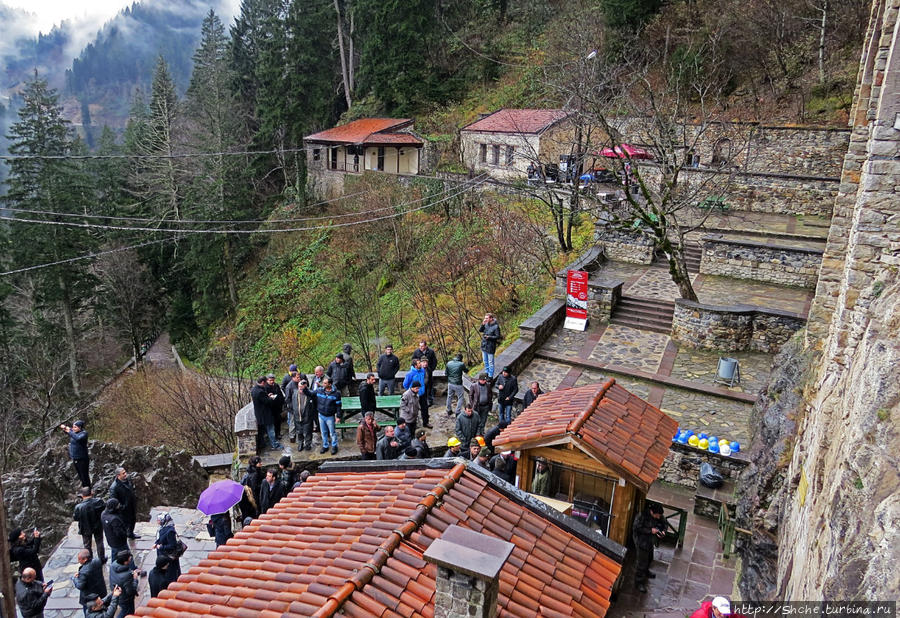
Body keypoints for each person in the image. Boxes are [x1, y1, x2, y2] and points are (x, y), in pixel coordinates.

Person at [303, 377, 342, 455]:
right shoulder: (319, 390)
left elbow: (338, 406)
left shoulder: (336, 394)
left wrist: (338, 416)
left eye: (325, 383)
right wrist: (305, 388)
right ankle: (325, 446)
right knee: (323, 432)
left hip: (330, 416)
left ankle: (334, 446)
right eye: (323, 383)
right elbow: (310, 393)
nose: (323, 384)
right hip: (321, 415)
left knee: (332, 432)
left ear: (330, 384)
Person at [632, 502, 665, 592]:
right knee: (642, 562)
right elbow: (636, 528)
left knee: (650, 558)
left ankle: (646, 572)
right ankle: (639, 582)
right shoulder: (641, 516)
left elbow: (663, 523)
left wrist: (662, 531)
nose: (658, 517)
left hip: (650, 540)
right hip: (641, 541)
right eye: (657, 515)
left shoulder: (658, 515)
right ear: (652, 512)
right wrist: (650, 530)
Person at [73, 487, 106, 563]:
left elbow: (76, 518)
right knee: (99, 542)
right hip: (97, 526)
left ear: (82, 495)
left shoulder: (78, 507)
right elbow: (104, 511)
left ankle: (89, 560)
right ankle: (102, 559)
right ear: (91, 493)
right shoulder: (99, 502)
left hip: (85, 528)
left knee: (87, 545)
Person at [73, 549, 106, 616]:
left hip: (89, 596)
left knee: (88, 611)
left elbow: (80, 586)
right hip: (100, 591)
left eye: (79, 559)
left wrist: (75, 578)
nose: (78, 561)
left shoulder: (84, 571)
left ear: (85, 559)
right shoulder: (97, 561)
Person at [251, 376, 281, 453]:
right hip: (265, 414)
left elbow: (261, 399)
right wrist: (271, 398)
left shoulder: (254, 389)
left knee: (261, 431)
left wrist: (267, 396)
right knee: (271, 429)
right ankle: (274, 444)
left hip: (259, 414)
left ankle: (262, 444)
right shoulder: (260, 392)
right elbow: (267, 402)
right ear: (263, 382)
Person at [109, 468, 139, 540]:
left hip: (131, 505)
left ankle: (131, 534)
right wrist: (122, 507)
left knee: (133, 520)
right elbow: (113, 500)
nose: (125, 474)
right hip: (123, 509)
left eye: (125, 472)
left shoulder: (127, 479)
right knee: (124, 524)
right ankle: (124, 538)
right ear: (118, 475)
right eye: (123, 473)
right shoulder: (114, 487)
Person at [60, 419, 91, 487]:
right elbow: (70, 432)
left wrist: (69, 430)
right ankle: (85, 490)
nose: (73, 428)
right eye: (73, 427)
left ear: (80, 427)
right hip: (75, 458)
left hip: (82, 458)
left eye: (75, 427)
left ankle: (88, 490)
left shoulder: (84, 434)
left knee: (84, 475)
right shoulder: (74, 432)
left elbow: (77, 438)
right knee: (80, 475)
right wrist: (65, 428)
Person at [108, 550, 139, 616]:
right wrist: (135, 579)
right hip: (125, 599)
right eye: (129, 559)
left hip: (117, 593)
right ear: (125, 562)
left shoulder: (113, 565)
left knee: (124, 610)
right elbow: (130, 591)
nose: (130, 560)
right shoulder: (127, 575)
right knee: (127, 612)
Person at [402, 359, 430, 428]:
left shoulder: (423, 371)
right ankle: (414, 423)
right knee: (413, 409)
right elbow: (405, 384)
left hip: (422, 393)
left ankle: (426, 422)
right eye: (419, 363)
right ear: (415, 365)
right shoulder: (410, 374)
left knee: (425, 408)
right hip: (413, 395)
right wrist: (411, 391)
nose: (420, 364)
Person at [153, 512, 182, 580]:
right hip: (164, 553)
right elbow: (160, 538)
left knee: (171, 572)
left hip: (168, 555)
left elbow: (172, 546)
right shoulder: (162, 528)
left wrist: (161, 547)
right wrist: (156, 543)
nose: (157, 521)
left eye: (159, 520)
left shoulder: (170, 531)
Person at [101, 499, 128, 563]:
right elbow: (119, 533)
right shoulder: (114, 519)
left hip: (110, 540)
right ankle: (133, 568)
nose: (119, 507)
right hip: (119, 542)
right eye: (117, 506)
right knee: (127, 554)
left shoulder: (103, 514)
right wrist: (125, 534)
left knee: (114, 553)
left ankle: (113, 565)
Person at [412, 341, 438, 406]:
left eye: (422, 346)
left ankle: (430, 400)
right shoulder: (416, 352)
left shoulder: (431, 352)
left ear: (426, 346)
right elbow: (413, 361)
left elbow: (434, 361)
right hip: (419, 371)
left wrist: (431, 369)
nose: (420, 347)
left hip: (428, 371)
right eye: (420, 346)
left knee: (429, 386)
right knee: (420, 386)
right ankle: (420, 400)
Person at [239, 456, 263, 520]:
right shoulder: (254, 474)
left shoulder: (251, 470)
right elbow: (254, 488)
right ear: (255, 464)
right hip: (249, 498)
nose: (261, 463)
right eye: (259, 462)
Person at [478, 313, 501, 379]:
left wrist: (489, 337)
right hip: (484, 345)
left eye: (487, 318)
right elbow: (480, 330)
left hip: (490, 346)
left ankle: (490, 376)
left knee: (490, 362)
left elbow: (498, 336)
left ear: (491, 318)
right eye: (485, 318)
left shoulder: (496, 326)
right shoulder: (486, 324)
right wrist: (482, 324)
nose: (485, 319)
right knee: (485, 361)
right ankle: (486, 372)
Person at [296, 377, 316, 451]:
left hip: (308, 417)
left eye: (303, 389)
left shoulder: (310, 394)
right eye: (300, 388)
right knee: (299, 432)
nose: (301, 390)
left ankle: (308, 445)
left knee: (308, 432)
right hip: (298, 417)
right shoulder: (295, 394)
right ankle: (300, 444)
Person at [264, 374, 285, 442]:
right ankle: (272, 436)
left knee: (278, 421)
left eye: (273, 380)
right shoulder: (265, 387)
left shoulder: (276, 385)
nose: (272, 381)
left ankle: (278, 433)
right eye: (270, 380)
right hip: (270, 408)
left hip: (277, 407)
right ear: (267, 380)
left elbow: (280, 394)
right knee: (271, 423)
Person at [283, 371, 302, 443]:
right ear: (293, 377)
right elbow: (287, 399)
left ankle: (300, 436)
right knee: (292, 423)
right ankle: (292, 437)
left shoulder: (299, 384)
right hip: (292, 409)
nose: (299, 378)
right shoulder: (289, 386)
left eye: (299, 377)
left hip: (300, 407)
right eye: (297, 377)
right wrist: (293, 407)